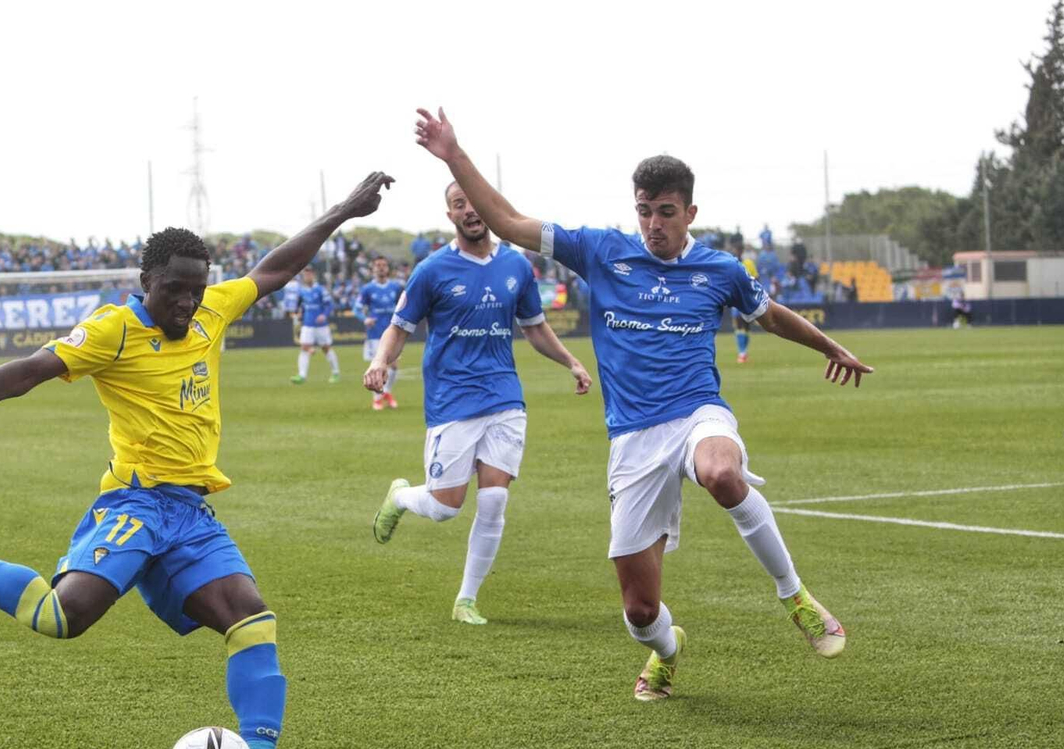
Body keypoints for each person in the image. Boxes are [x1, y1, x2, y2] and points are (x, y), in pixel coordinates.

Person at [0, 172, 395, 749]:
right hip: (133, 505)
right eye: (174, 290)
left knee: (252, 621)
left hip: (190, 513)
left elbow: (276, 268)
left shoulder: (212, 310)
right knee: (61, 617)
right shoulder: (113, 329)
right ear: (147, 283)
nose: (187, 303)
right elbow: (30, 371)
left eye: (196, 291)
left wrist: (341, 212)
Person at [413, 107, 874, 698]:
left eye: (665, 211)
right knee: (639, 610)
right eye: (644, 210)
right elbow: (506, 220)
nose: (653, 223)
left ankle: (796, 597)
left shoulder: (720, 269)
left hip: (698, 415)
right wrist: (453, 153)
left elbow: (771, 316)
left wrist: (828, 345)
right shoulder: (601, 250)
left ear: (690, 213)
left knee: (721, 472)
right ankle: (667, 651)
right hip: (632, 439)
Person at [366, 180, 592, 625]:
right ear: (450, 215)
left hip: (505, 398)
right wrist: (379, 362)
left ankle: (466, 600)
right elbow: (399, 326)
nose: (469, 209)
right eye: (458, 204)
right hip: (452, 401)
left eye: (473, 201)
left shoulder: (517, 266)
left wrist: (571, 362)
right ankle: (402, 497)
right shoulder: (432, 270)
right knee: (446, 507)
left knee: (493, 502)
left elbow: (535, 326)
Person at [354, 255, 404, 410]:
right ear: (373, 269)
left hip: (393, 332)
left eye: (383, 265)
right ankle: (377, 398)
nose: (381, 267)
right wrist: (365, 319)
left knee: (394, 365)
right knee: (378, 366)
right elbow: (357, 308)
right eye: (378, 265)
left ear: (388, 268)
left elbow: (403, 305)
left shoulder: (395, 287)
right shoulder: (367, 289)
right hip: (375, 333)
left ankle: (386, 393)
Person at [290, 268, 338, 384]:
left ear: (314, 275)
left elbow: (329, 305)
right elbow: (298, 307)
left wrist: (324, 315)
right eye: (305, 275)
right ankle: (302, 375)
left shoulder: (320, 290)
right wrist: (299, 314)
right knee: (304, 347)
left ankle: (336, 372)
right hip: (307, 324)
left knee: (325, 348)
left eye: (309, 275)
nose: (307, 277)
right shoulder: (301, 291)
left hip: (321, 325)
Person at [727, 233, 757, 364]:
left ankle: (743, 352)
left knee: (744, 327)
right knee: (741, 326)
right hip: (737, 300)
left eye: (738, 250)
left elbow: (756, 279)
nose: (737, 252)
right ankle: (742, 353)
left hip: (745, 299)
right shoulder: (732, 262)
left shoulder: (744, 263)